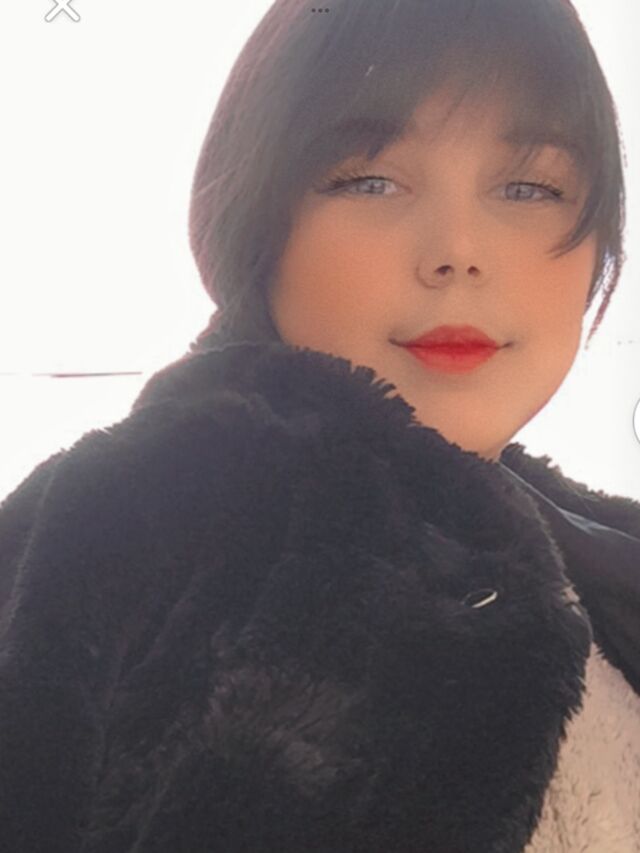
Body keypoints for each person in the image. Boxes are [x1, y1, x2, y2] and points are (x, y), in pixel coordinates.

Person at [1, 0, 639, 851]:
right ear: (255, 218)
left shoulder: (602, 564)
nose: (457, 250)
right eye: (370, 180)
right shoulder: (118, 529)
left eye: (529, 187)